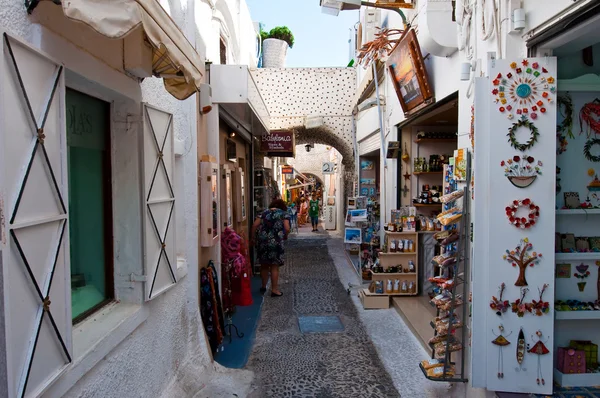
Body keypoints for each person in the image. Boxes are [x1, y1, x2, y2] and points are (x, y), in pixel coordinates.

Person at [251, 199, 291, 297]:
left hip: (263, 242)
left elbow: (255, 225)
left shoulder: (263, 213)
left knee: (264, 265)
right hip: (276, 242)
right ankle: (274, 290)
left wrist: (252, 237)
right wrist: (285, 235)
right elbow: (287, 228)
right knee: (274, 266)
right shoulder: (283, 214)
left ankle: (263, 286)